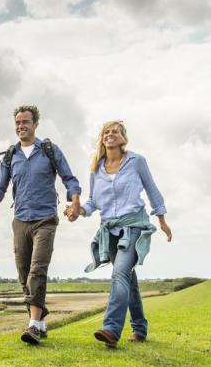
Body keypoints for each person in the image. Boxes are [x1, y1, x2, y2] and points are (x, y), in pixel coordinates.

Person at [65, 121, 172, 348]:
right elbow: (93, 201)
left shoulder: (136, 162)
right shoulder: (97, 167)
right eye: (106, 132)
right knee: (128, 280)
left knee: (119, 274)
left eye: (115, 131)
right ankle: (140, 328)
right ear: (102, 139)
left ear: (124, 138)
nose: (110, 134)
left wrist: (161, 219)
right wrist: (79, 210)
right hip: (110, 231)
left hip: (134, 226)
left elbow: (152, 190)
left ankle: (111, 329)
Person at [0, 105, 81, 345]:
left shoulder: (48, 150)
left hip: (45, 218)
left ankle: (33, 326)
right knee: (24, 273)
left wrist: (75, 202)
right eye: (17, 123)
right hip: (20, 220)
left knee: (38, 269)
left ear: (36, 124)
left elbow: (69, 178)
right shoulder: (10, 156)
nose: (21, 126)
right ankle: (40, 321)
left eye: (25, 122)